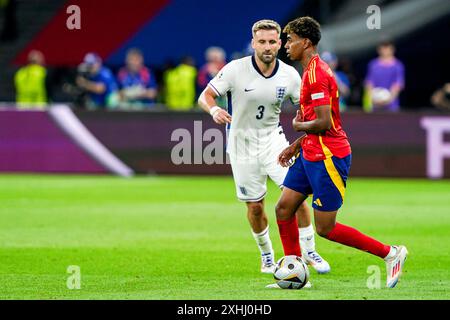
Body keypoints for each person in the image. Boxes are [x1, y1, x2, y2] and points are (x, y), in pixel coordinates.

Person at [276, 16, 407, 288]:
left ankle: (390, 253)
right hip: (311, 151)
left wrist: (298, 125)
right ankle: (293, 270)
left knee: (325, 228)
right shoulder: (309, 70)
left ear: (306, 42)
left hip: (328, 157)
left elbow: (324, 123)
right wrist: (296, 144)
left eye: (290, 40)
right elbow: (325, 120)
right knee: (284, 208)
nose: (285, 45)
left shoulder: (316, 73)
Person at [198, 19, 330, 274]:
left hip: (274, 142)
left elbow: (308, 109)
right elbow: (206, 95)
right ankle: (267, 256)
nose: (267, 47)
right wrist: (214, 109)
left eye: (272, 42)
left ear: (279, 44)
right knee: (255, 207)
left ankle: (309, 251)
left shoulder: (290, 75)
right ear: (253, 43)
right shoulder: (235, 70)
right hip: (241, 146)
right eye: (262, 42)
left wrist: (306, 126)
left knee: (297, 196)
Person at [364, 39, 405, 112]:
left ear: (392, 49)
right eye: (383, 47)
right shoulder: (373, 65)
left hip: (392, 107)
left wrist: (387, 100)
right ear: (379, 49)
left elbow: (397, 85)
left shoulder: (398, 66)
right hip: (374, 106)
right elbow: (369, 84)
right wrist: (373, 99)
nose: (385, 50)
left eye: (387, 47)